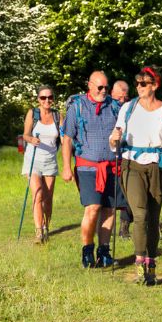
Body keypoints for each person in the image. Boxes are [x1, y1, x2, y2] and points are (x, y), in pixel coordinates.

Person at [108, 66, 162, 287]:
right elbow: (116, 140)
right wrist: (114, 139)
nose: (138, 87)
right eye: (137, 83)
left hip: (157, 166)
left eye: (144, 84)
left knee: (153, 219)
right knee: (140, 214)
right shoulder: (128, 108)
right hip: (131, 164)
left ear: (155, 85)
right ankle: (140, 264)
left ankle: (151, 263)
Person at [59, 71, 121, 269]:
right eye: (99, 87)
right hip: (87, 166)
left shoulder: (114, 107)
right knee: (93, 208)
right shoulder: (77, 107)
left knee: (109, 209)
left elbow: (124, 131)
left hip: (112, 166)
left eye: (106, 87)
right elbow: (67, 139)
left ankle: (104, 251)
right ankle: (87, 250)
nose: (103, 91)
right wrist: (67, 167)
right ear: (90, 85)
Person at [19, 85, 62, 243]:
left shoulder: (58, 116)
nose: (47, 100)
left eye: (50, 97)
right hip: (33, 159)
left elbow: (63, 138)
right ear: (38, 99)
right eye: (43, 98)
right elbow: (25, 135)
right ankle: (39, 231)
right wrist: (31, 139)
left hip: (50, 160)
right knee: (37, 194)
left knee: (48, 198)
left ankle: (46, 227)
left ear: (53, 99)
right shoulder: (33, 113)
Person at [109, 78, 134, 240]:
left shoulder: (132, 108)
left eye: (125, 98)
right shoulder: (106, 107)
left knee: (130, 193)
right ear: (112, 94)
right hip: (107, 156)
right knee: (110, 196)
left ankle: (124, 226)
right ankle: (106, 226)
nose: (122, 101)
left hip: (127, 155)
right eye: (119, 98)